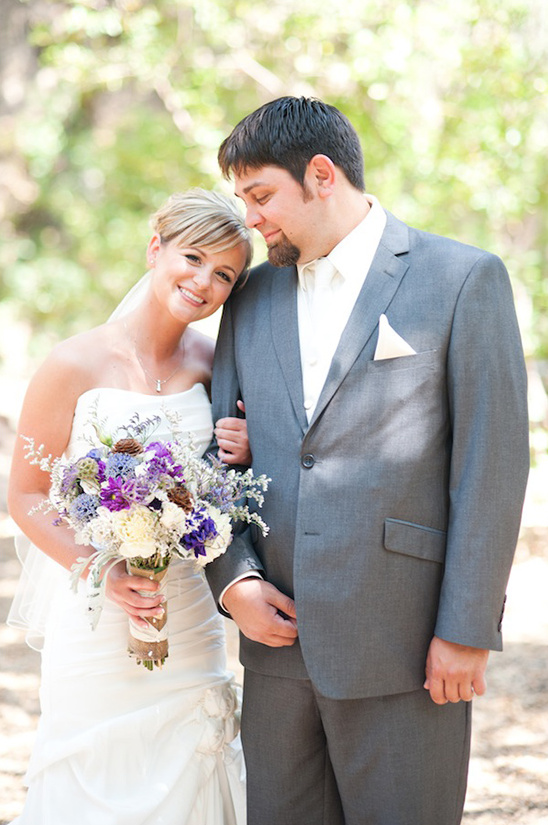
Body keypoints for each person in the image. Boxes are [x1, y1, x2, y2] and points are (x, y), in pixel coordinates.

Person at [207, 97, 530, 825]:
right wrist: (234, 580)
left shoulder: (461, 279)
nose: (251, 220)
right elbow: (216, 451)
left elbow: (493, 463)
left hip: (406, 646)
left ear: (321, 175)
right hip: (276, 650)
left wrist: (467, 627)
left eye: (262, 197)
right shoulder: (249, 295)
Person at [7, 188, 253, 825]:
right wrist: (102, 569)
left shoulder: (215, 365)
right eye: (193, 257)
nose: (204, 281)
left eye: (223, 273)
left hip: (189, 615)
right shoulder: (72, 363)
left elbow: (231, 480)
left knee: (192, 764)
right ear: (155, 248)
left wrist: (244, 446)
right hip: (95, 617)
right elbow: (26, 494)